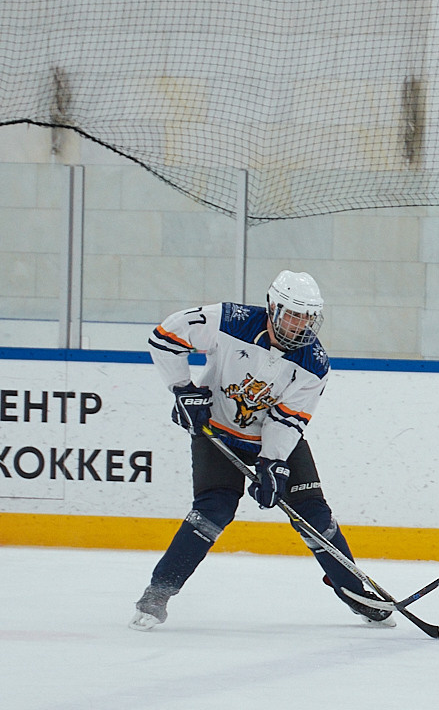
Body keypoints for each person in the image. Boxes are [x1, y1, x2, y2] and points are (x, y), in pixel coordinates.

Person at [131, 270, 391, 631]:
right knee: (213, 510)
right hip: (218, 432)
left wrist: (273, 462)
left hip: (275, 439)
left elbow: (287, 420)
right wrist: (182, 388)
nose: (299, 324)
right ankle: (158, 592)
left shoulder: (314, 363)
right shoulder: (228, 320)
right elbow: (165, 337)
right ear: (273, 306)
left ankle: (354, 592)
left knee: (313, 514)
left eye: (307, 317)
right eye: (293, 314)